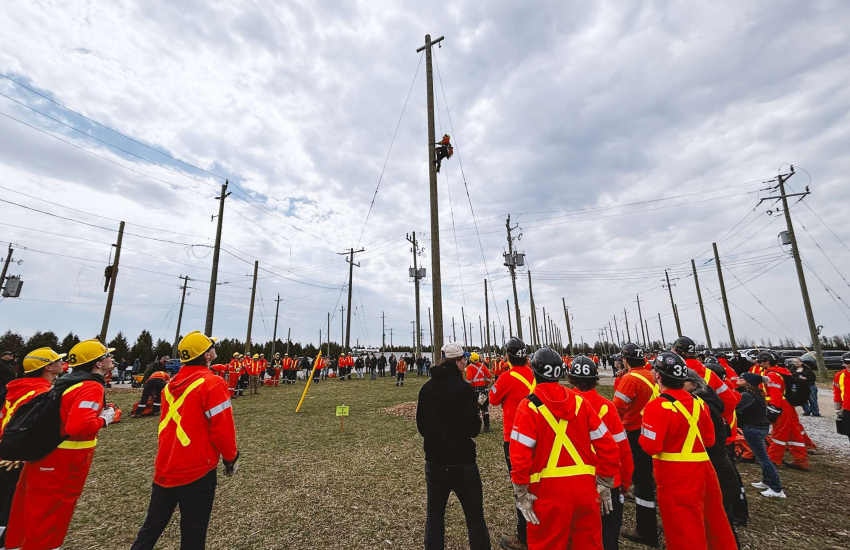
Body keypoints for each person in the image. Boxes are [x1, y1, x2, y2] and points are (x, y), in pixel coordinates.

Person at [130, 331, 238, 550]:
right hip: (197, 470)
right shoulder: (213, 383)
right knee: (193, 534)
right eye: (211, 346)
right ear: (206, 356)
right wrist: (231, 459)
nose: (214, 349)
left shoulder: (171, 384)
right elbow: (222, 430)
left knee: (149, 531)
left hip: (166, 466)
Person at [5, 339, 117, 550]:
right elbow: (78, 426)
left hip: (46, 454)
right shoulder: (91, 386)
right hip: (64, 461)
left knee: (31, 510)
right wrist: (105, 418)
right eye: (106, 356)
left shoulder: (68, 381)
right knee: (51, 515)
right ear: (98, 364)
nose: (111, 359)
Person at [509, 347, 619, 549]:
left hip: (547, 495)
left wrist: (522, 493)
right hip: (585, 491)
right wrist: (605, 482)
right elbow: (608, 444)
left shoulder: (529, 406)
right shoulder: (581, 402)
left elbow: (519, 457)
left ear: (534, 371)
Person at [639, 352, 737, 550]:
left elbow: (651, 447)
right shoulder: (699, 403)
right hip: (705, 469)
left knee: (683, 526)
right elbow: (709, 440)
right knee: (715, 521)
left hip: (675, 473)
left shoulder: (657, 406)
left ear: (658, 376)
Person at [416, 342, 490, 550]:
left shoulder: (426, 389)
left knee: (434, 518)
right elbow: (474, 428)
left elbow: (421, 425)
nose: (466, 363)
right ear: (458, 361)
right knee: (475, 518)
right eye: (464, 360)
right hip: (462, 462)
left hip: (435, 461)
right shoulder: (464, 389)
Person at [0, 347, 64, 547]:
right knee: (10, 505)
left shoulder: (16, 386)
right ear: (48, 367)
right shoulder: (41, 393)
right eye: (57, 361)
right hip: (15, 455)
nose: (62, 363)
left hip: (5, 448)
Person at [568, 355, 634, 550]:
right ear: (595, 379)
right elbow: (622, 448)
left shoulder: (565, 405)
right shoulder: (607, 407)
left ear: (571, 378)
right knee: (608, 537)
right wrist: (625, 481)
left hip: (576, 482)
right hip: (608, 481)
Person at [683, 369, 741, 547]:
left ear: (694, 384)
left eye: (681, 381)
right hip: (717, 465)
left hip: (714, 467)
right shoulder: (708, 402)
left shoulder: (702, 406)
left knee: (720, 520)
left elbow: (707, 441)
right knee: (718, 516)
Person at [611, 343, 659, 547]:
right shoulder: (650, 375)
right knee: (650, 478)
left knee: (642, 482)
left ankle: (646, 529)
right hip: (652, 431)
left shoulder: (630, 379)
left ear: (625, 359)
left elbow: (617, 407)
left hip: (635, 432)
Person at [489, 338, 534, 550]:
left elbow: (493, 398)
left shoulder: (507, 377)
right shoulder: (535, 374)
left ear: (507, 356)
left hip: (515, 438)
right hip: (539, 436)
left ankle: (524, 536)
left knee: (520, 486)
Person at [737, 372, 785, 497]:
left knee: (763, 459)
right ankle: (766, 481)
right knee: (762, 457)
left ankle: (776, 489)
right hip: (760, 427)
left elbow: (736, 408)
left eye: (741, 378)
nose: (738, 379)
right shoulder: (757, 393)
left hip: (753, 428)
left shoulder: (747, 395)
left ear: (748, 382)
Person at [760, 352, 809, 471]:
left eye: (760, 360)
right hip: (787, 406)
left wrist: (773, 410)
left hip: (781, 407)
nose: (759, 363)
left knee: (778, 434)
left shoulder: (772, 375)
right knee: (794, 434)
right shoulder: (781, 371)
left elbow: (775, 394)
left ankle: (773, 459)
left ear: (767, 361)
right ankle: (801, 460)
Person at [466, 352, 492, 433]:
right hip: (483, 391)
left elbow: (469, 380)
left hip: (474, 391)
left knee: (475, 409)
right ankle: (486, 427)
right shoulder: (483, 366)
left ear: (471, 359)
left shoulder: (469, 367)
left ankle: (476, 428)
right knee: (485, 409)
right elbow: (489, 377)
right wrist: (486, 384)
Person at [833, 352, 850, 443]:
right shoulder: (839, 376)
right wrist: (837, 408)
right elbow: (837, 392)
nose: (848, 365)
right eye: (846, 363)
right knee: (848, 431)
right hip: (847, 409)